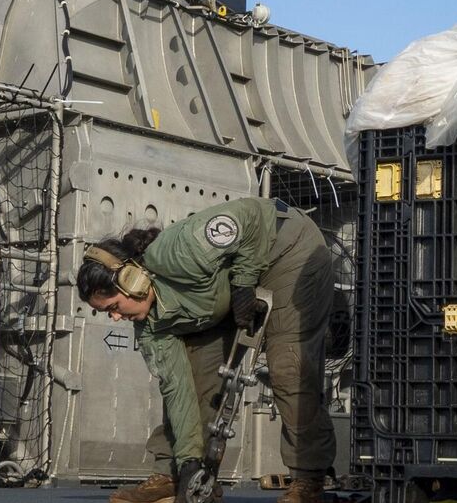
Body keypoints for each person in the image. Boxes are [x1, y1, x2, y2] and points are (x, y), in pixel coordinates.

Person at [79, 198, 337, 503]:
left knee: (288, 366)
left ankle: (308, 479)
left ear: (130, 280)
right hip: (221, 294)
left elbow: (250, 219)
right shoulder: (150, 326)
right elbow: (178, 390)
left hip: (285, 250)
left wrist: (243, 284)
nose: (116, 318)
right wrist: (190, 462)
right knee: (196, 374)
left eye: (113, 307)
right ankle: (180, 476)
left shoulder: (177, 251)